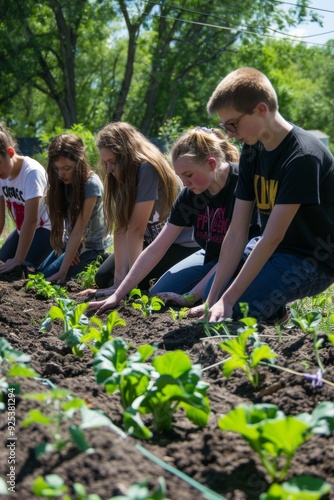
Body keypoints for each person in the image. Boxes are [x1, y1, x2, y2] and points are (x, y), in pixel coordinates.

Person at [190, 67, 334, 324]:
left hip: (311, 259)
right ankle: (272, 310)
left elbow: (272, 236)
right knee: (213, 296)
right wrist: (213, 299)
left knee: (238, 311)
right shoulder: (251, 152)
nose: (230, 134)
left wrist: (229, 300)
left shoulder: (302, 156)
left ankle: (271, 313)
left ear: (261, 109)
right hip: (271, 248)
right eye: (225, 126)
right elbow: (236, 231)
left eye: (233, 124)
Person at [85, 126, 254, 315]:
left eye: (189, 175)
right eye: (181, 177)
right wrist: (119, 293)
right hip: (210, 254)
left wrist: (192, 295)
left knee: (209, 296)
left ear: (211, 164)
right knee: (157, 293)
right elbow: (157, 247)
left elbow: (235, 248)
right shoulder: (189, 194)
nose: (184, 184)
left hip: (244, 255)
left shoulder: (241, 183)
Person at [84, 121, 198, 295]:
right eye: (105, 162)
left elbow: (137, 230)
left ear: (126, 154)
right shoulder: (122, 175)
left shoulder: (147, 169)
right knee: (104, 278)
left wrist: (126, 286)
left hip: (181, 244)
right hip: (152, 242)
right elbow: (122, 228)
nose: (108, 170)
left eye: (112, 162)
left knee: (139, 282)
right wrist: (117, 284)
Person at [37, 133, 109, 282]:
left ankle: (100, 264)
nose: (61, 174)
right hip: (72, 245)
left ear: (79, 162)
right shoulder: (63, 183)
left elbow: (79, 230)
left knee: (45, 279)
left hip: (90, 249)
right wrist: (70, 248)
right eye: (57, 169)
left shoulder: (91, 185)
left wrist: (62, 273)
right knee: (39, 274)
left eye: (67, 168)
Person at [0, 122, 52, 275]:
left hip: (46, 229)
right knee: (2, 264)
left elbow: (31, 220)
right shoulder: (2, 174)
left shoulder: (31, 172)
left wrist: (18, 259)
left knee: (20, 271)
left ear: (10, 152)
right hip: (22, 230)